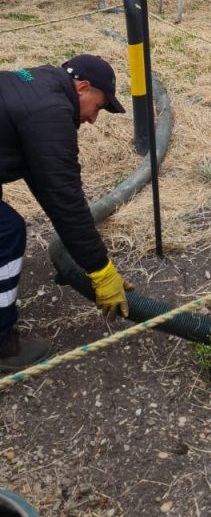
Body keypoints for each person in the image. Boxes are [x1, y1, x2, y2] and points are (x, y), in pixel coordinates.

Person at [0, 54, 134, 373]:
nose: (92, 120)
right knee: (7, 232)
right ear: (83, 87)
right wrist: (100, 270)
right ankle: (2, 346)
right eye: (98, 107)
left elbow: (47, 186)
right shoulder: (52, 112)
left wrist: (86, 259)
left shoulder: (39, 84)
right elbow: (65, 199)